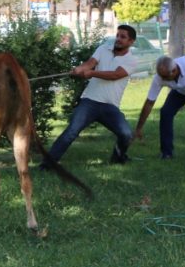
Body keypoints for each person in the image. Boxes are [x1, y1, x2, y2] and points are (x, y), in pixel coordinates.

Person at [42, 24, 140, 167]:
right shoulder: (103, 49)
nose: (118, 39)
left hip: (110, 106)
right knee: (71, 132)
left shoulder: (131, 60)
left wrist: (92, 73)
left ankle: (118, 158)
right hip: (89, 101)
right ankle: (47, 165)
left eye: (123, 37)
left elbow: (115, 75)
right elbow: (90, 63)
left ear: (131, 42)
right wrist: (79, 69)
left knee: (126, 134)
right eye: (118, 35)